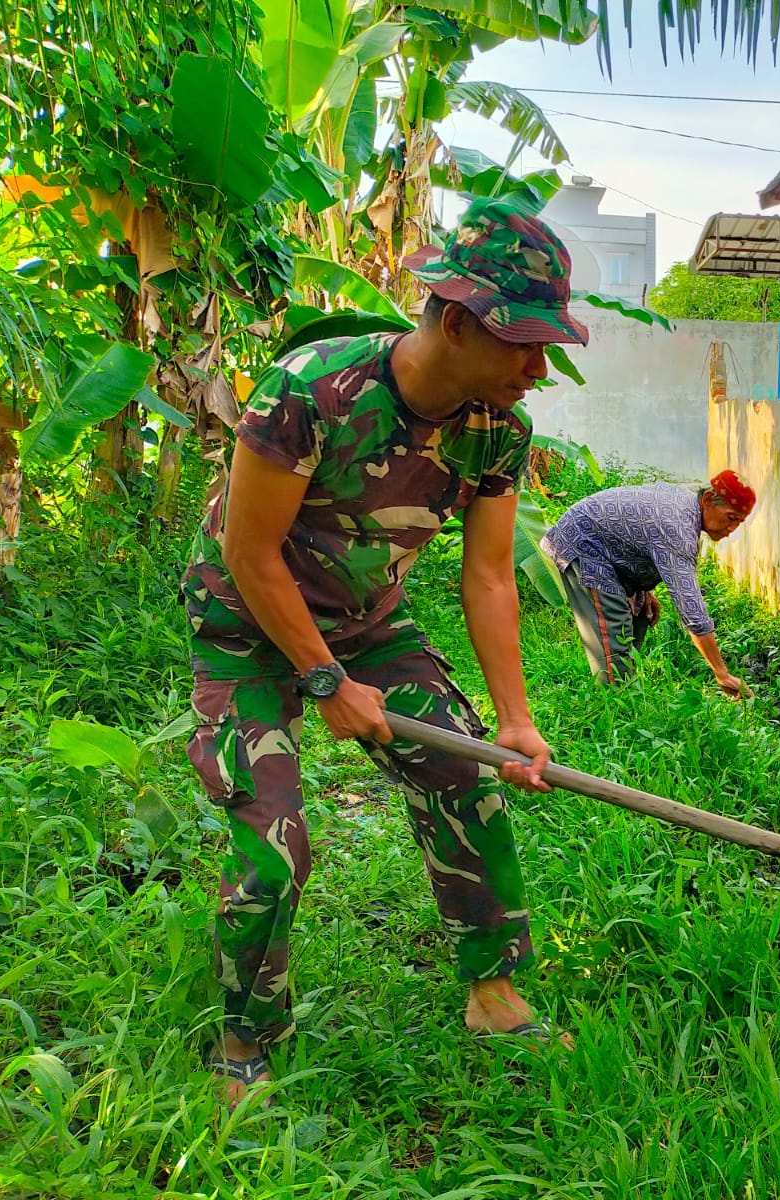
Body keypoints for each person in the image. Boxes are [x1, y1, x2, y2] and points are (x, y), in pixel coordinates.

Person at [181, 198, 587, 1104]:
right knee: (272, 847)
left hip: (369, 623)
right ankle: (246, 1038)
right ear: (454, 321)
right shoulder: (310, 391)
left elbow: (487, 579)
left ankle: (492, 994)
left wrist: (517, 721)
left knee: (465, 779)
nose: (538, 367)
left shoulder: (496, 430)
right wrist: (323, 680)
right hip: (244, 624)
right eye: (523, 342)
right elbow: (249, 555)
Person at [542, 472, 756, 695]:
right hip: (584, 544)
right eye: (731, 518)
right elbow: (692, 613)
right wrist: (721, 673)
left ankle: (627, 689)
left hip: (609, 547)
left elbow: (642, 536)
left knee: (640, 614)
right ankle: (615, 703)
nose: (732, 530)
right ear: (708, 500)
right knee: (613, 637)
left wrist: (646, 590)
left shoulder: (687, 505)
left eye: (739, 523)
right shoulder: (678, 528)